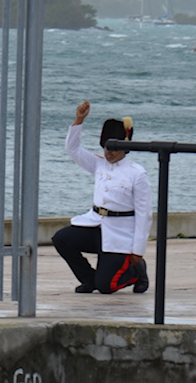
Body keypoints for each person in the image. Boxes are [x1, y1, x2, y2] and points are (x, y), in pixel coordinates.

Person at [52, 100, 152, 294]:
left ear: (125, 146)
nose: (109, 153)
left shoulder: (137, 173)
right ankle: (89, 279)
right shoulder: (99, 164)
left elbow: (144, 214)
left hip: (120, 234)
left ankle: (136, 272)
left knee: (108, 287)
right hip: (96, 226)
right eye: (106, 148)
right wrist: (79, 120)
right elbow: (73, 150)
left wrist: (137, 251)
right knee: (61, 239)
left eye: (114, 148)